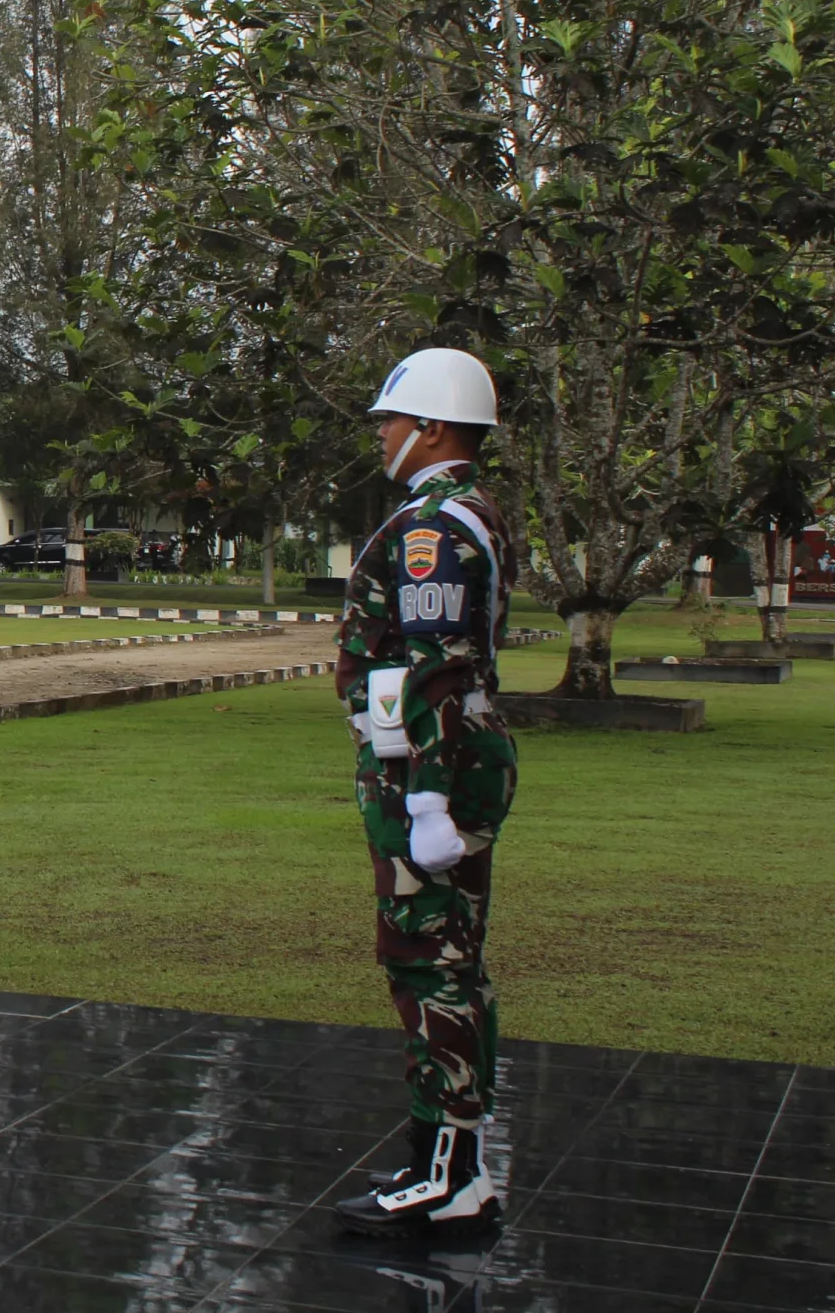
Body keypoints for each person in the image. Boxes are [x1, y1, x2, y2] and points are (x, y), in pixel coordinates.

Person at [331, 347, 518, 1240]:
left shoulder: (435, 527)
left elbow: (439, 668)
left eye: (392, 420)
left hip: (428, 769)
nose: (382, 434)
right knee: (448, 959)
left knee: (430, 962)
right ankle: (450, 1160)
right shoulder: (462, 511)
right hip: (436, 762)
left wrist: (430, 799)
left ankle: (450, 1175)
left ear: (433, 427)